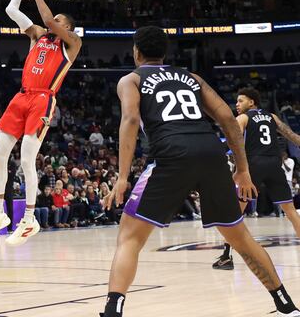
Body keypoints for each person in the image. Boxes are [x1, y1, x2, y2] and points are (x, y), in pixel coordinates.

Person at [101, 26, 299, 317]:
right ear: (165, 53)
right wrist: (242, 170)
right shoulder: (191, 77)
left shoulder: (130, 79)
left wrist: (121, 177)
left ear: (136, 52)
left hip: (170, 155)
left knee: (129, 238)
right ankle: (286, 305)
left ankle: (112, 311)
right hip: (211, 154)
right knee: (240, 237)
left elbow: (130, 119)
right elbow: (229, 121)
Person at [0, 0, 82, 245]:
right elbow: (11, 9)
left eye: (61, 21)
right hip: (21, 96)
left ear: (68, 29)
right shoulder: (37, 35)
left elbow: (50, 20)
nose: (55, 22)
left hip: (43, 98)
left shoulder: (72, 43)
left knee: (26, 159)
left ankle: (29, 219)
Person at [213, 88, 300, 270]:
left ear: (251, 102)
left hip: (253, 166)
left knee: (235, 213)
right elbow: (291, 136)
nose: (237, 104)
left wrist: (236, 166)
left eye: (240, 100)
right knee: (291, 211)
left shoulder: (243, 118)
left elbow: (232, 139)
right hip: (275, 165)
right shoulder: (272, 117)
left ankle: (226, 256)